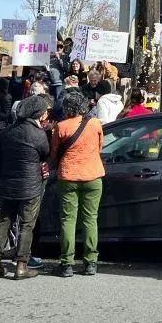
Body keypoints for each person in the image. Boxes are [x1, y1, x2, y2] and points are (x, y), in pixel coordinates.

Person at [0, 95, 52, 280]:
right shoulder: (38, 134)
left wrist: (2, 179)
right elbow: (45, 154)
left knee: (4, 221)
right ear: (39, 114)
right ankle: (22, 264)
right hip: (31, 185)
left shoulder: (6, 132)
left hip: (8, 184)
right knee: (26, 225)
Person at [51, 91, 105, 277]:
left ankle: (67, 263)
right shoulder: (95, 123)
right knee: (90, 219)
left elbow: (54, 153)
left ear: (66, 108)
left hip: (68, 176)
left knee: (68, 220)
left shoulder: (61, 126)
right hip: (93, 174)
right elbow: (100, 147)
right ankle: (90, 262)